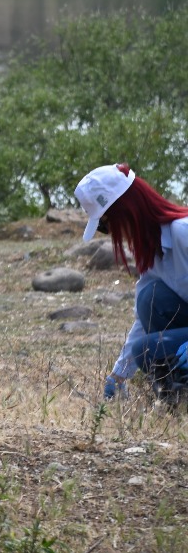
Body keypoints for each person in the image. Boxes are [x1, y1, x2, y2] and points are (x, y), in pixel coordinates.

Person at [76, 164, 188, 400]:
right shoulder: (151, 249)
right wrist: (119, 375)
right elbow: (143, 317)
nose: (109, 233)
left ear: (125, 210)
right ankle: (176, 394)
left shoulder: (182, 232)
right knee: (149, 303)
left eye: (105, 226)